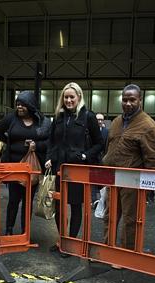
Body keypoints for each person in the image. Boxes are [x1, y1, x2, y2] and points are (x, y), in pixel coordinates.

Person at [45, 82, 104, 256]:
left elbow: (100, 143)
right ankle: (62, 239)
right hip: (59, 169)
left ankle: (70, 243)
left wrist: (85, 156)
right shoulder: (58, 117)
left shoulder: (88, 117)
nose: (69, 100)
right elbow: (51, 141)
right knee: (59, 205)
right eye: (66, 97)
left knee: (76, 205)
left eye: (72, 97)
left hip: (78, 169)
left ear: (79, 97)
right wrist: (49, 157)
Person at [102, 84, 155, 250]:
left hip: (133, 182)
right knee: (110, 215)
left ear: (140, 100)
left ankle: (126, 253)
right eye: (125, 100)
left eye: (132, 100)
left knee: (130, 218)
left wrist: (151, 186)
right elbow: (109, 147)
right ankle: (108, 248)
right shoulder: (115, 122)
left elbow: (153, 158)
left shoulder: (148, 125)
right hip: (113, 178)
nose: (128, 103)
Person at [0, 91, 51, 235]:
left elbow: (49, 141)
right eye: (17, 104)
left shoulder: (41, 121)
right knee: (13, 200)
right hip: (14, 167)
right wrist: (10, 142)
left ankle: (25, 232)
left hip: (32, 168)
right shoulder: (12, 118)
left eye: (23, 104)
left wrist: (36, 145)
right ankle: (9, 230)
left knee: (27, 201)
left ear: (30, 105)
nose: (19, 107)